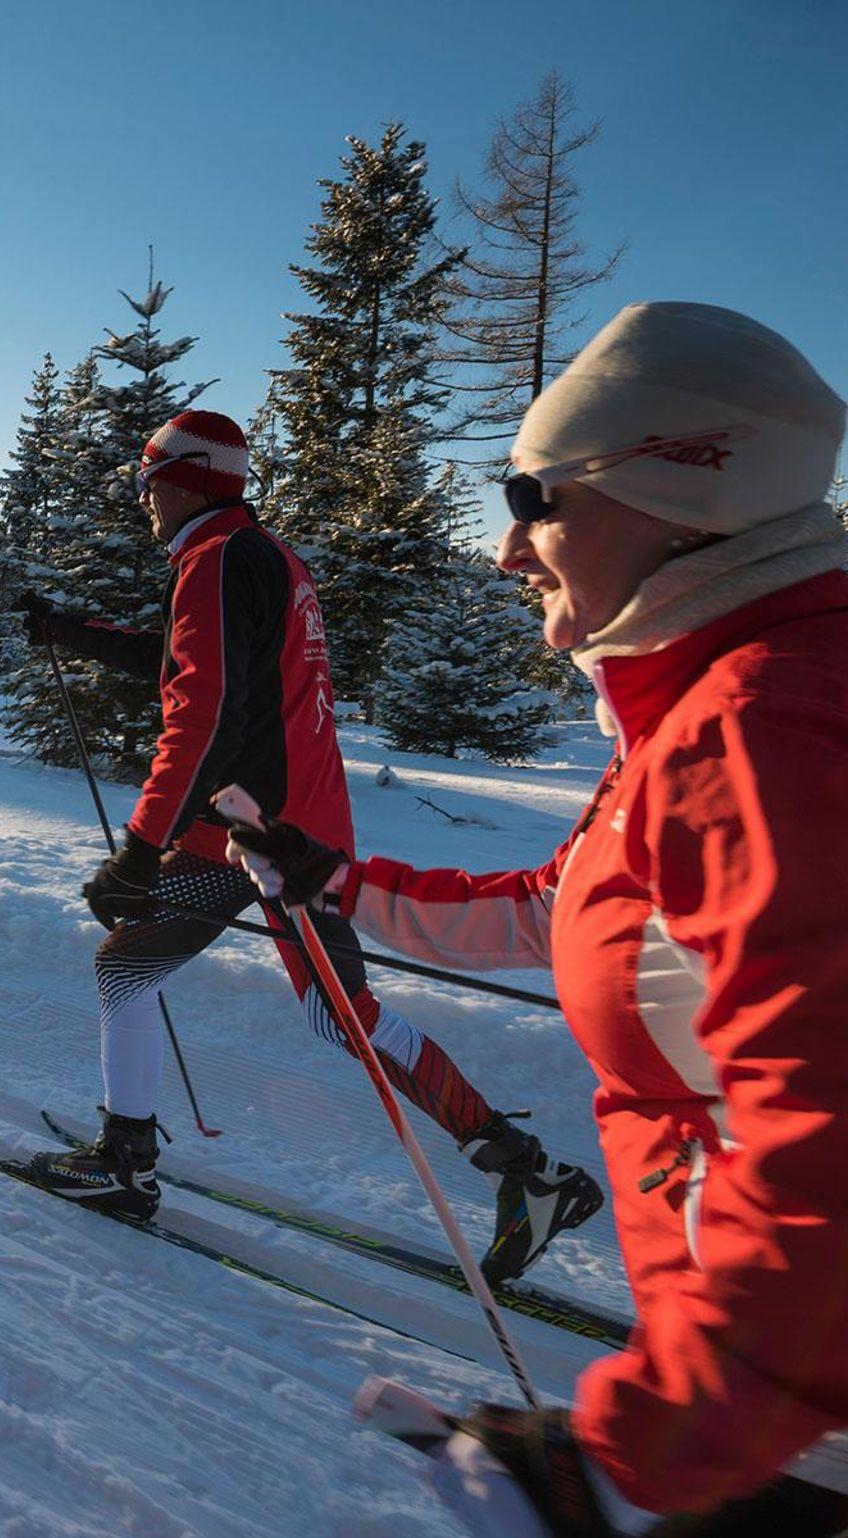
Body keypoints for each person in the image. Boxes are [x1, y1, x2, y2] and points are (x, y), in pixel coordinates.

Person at [222, 302, 848, 1534]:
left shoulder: (760, 726)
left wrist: (626, 1460)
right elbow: (559, 912)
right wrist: (333, 881)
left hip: (783, 1428)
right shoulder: (700, 710)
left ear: (682, 487)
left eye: (532, 498)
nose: (508, 550)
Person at [18, 407, 602, 1286]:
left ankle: (525, 1171)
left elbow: (203, 711)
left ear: (183, 480)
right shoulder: (263, 556)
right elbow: (192, 667)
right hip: (271, 826)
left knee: (327, 1011)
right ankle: (126, 1156)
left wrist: (139, 848)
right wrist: (73, 634)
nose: (143, 500)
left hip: (266, 838)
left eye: (147, 482)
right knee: (136, 969)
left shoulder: (217, 558)